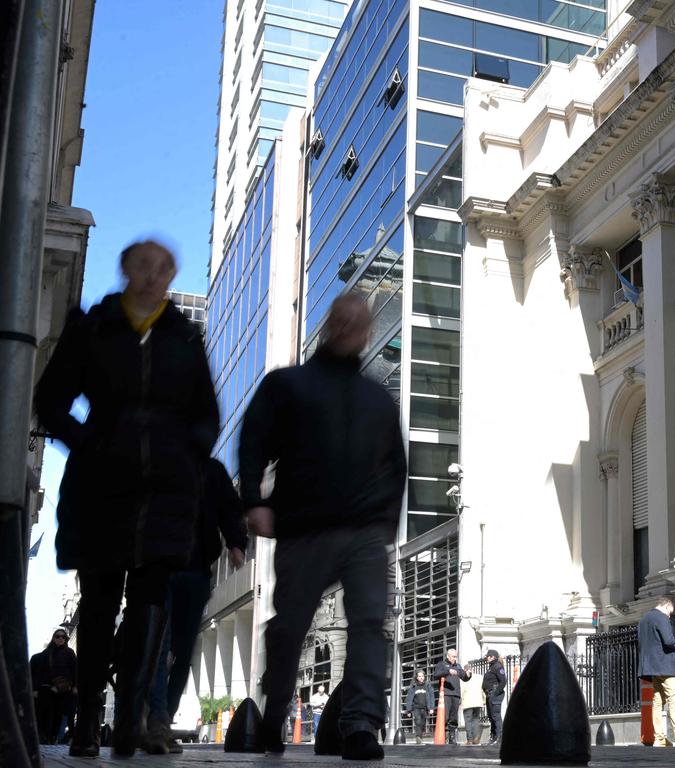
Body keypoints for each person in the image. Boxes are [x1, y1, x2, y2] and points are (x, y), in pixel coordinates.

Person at [35, 240, 219, 758]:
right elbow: (50, 402)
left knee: (148, 609)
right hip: (101, 488)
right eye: (143, 266)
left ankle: (133, 714)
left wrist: (188, 456)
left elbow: (206, 413)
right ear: (126, 270)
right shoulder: (93, 329)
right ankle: (90, 716)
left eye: (163, 269)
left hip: (164, 492)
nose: (152, 276)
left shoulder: (185, 338)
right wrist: (89, 443)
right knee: (97, 607)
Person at [239, 293, 407, 761]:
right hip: (305, 527)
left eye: (360, 323)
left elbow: (397, 466)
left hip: (365, 534)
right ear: (331, 323)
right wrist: (253, 501)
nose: (351, 328)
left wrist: (385, 525)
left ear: (366, 332)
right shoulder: (287, 386)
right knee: (291, 627)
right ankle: (274, 713)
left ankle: (359, 726)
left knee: (370, 625)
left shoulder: (377, 398)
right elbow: (252, 440)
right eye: (344, 319)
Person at [142, 457, 247, 754]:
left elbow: (229, 505)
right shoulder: (156, 457)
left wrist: (236, 541)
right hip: (160, 566)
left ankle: (162, 716)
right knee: (160, 646)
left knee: (184, 650)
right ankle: (158, 720)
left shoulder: (210, 469)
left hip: (196, 568)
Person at [638, 596, 675, 747]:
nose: (670, 615)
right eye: (671, 611)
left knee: (657, 702)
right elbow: (668, 642)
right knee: (673, 700)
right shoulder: (662, 618)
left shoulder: (644, 619)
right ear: (667, 606)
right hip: (665, 666)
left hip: (651, 667)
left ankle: (659, 739)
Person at [30, 629, 77, 744]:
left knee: (62, 714)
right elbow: (40, 672)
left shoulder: (70, 653)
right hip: (50, 689)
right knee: (49, 713)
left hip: (65, 689)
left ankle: (57, 736)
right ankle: (47, 737)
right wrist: (35, 689)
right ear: (54, 638)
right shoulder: (47, 653)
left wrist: (75, 686)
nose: (61, 639)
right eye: (58, 636)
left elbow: (75, 670)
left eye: (63, 637)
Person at [432, 649, 470, 745]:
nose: (455, 658)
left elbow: (464, 677)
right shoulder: (442, 664)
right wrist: (448, 671)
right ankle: (442, 735)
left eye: (456, 656)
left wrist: (468, 674)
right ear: (448, 656)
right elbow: (436, 674)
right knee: (445, 716)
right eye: (453, 657)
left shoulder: (458, 666)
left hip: (456, 694)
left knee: (454, 717)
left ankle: (452, 737)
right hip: (446, 694)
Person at [482, 650, 507, 745]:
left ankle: (499, 738)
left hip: (494, 694)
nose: (487, 658)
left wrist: (495, 693)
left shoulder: (497, 666)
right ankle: (493, 737)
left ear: (493, 657)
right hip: (490, 694)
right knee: (491, 716)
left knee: (496, 716)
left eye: (488, 656)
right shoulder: (491, 667)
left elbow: (503, 681)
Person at [403, 671, 434, 745]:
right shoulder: (413, 687)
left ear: (424, 677)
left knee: (422, 723)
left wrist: (431, 708)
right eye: (419, 676)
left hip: (425, 708)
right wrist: (409, 710)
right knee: (418, 722)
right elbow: (409, 698)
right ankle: (418, 737)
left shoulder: (428, 686)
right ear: (417, 677)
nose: (421, 678)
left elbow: (431, 697)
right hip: (416, 708)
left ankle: (420, 736)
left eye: (422, 676)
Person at [459, 665, 484, 745]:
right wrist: (484, 700)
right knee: (476, 719)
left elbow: (461, 690)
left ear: (465, 670)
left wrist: (460, 701)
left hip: (467, 702)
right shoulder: (480, 677)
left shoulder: (463, 678)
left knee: (468, 721)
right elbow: (483, 688)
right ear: (471, 669)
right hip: (477, 702)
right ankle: (476, 738)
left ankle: (470, 740)